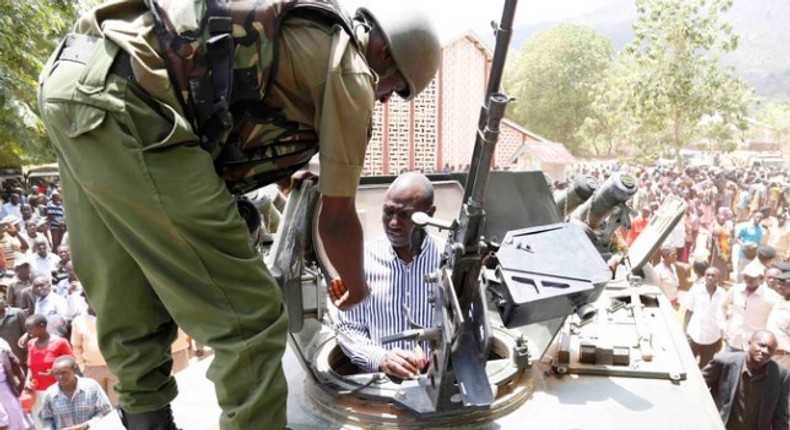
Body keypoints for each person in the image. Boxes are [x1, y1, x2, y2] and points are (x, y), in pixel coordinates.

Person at [37, 1, 440, 428]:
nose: (387, 99)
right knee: (253, 319)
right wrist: (357, 289)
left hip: (75, 80)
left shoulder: (307, 30)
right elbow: (337, 220)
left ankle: (147, 421)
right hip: (131, 100)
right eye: (397, 90)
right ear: (386, 57)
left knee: (127, 293)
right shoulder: (352, 70)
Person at [336, 173, 442, 379]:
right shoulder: (361, 260)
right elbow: (348, 328)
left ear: (429, 214)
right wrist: (381, 358)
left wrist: (438, 354)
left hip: (439, 389)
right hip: (379, 390)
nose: (393, 223)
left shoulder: (449, 261)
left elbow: (470, 330)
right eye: (388, 212)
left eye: (404, 215)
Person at [702, 330, 790, 430]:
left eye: (770, 349)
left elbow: (781, 417)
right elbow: (697, 388)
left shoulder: (781, 376)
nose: (765, 351)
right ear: (749, 343)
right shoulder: (723, 362)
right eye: (761, 345)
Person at [24, 314, 72, 430]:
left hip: (58, 391)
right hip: (37, 391)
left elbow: (72, 363)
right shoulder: (31, 344)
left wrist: (56, 372)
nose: (28, 332)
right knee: (41, 422)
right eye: (27, 329)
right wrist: (27, 383)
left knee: (61, 422)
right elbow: (31, 367)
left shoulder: (61, 342)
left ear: (42, 327)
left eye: (30, 329)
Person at [39, 355, 113, 430]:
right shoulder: (50, 394)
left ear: (75, 369)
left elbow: (106, 412)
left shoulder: (91, 387)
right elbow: (46, 419)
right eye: (56, 373)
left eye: (64, 372)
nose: (60, 376)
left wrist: (86, 425)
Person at [719, 263, 781, 352]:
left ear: (761, 279)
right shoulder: (736, 289)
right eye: (746, 277)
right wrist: (723, 325)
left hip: (754, 343)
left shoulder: (770, 296)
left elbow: (777, 318)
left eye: (753, 278)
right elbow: (723, 306)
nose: (749, 280)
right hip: (733, 339)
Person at [70, 294, 117, 406]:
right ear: (86, 300)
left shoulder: (113, 317)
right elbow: (76, 346)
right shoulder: (79, 321)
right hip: (91, 369)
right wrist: (82, 367)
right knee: (98, 404)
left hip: (114, 366)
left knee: (117, 404)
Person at [682, 267, 726, 368]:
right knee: (688, 364)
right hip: (694, 334)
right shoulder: (695, 290)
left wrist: (721, 336)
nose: (710, 277)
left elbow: (723, 314)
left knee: (706, 366)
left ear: (718, 278)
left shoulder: (722, 293)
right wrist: (684, 330)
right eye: (707, 275)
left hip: (713, 336)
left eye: (713, 276)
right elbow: (689, 310)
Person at [0, 338, 32, 430]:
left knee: (16, 421)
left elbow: (18, 371)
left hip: (7, 393)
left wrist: (21, 388)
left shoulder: (2, 348)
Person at [766, 271, 790, 369]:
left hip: (784, 356)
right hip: (771, 354)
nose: (779, 287)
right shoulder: (780, 300)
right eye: (779, 284)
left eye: (783, 285)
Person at [0, 298, 28, 373]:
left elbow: (29, 331)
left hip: (21, 359)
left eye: (0, 299)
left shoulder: (17, 313)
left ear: (4, 300)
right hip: (3, 363)